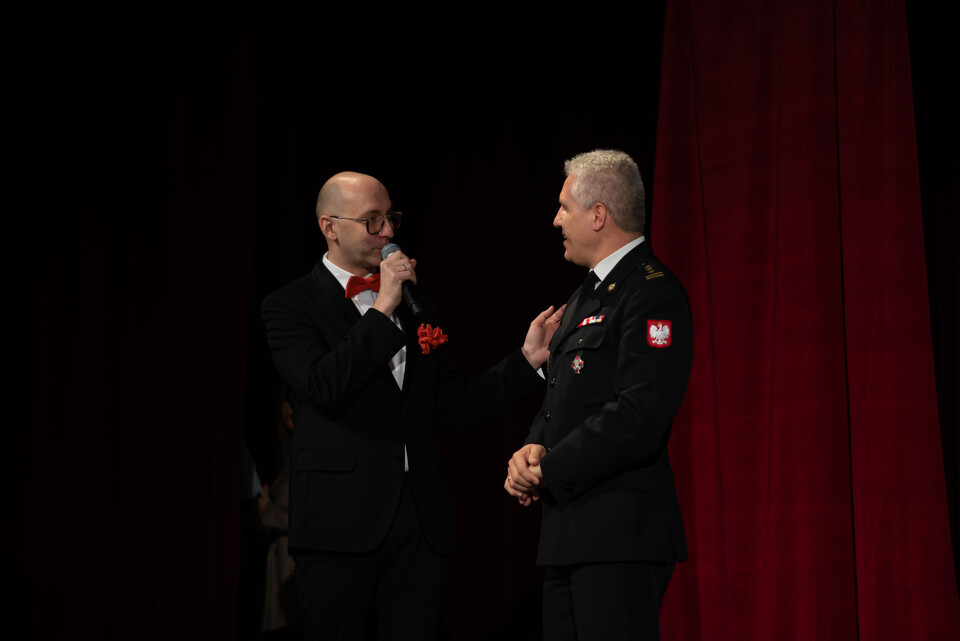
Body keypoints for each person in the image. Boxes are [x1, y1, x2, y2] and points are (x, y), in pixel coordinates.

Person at [261, 171, 563, 641]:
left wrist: (525, 363)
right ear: (329, 227)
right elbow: (325, 385)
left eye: (391, 218)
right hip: (338, 526)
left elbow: (452, 408)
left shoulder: (417, 304)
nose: (388, 232)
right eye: (372, 220)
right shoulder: (289, 305)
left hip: (419, 525)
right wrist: (383, 306)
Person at [504, 150, 693, 641]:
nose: (556, 220)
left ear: (598, 214)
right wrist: (533, 445)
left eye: (564, 207)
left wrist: (550, 467)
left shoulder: (652, 292)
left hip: (619, 536)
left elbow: (639, 413)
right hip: (568, 534)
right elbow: (562, 397)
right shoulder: (585, 296)